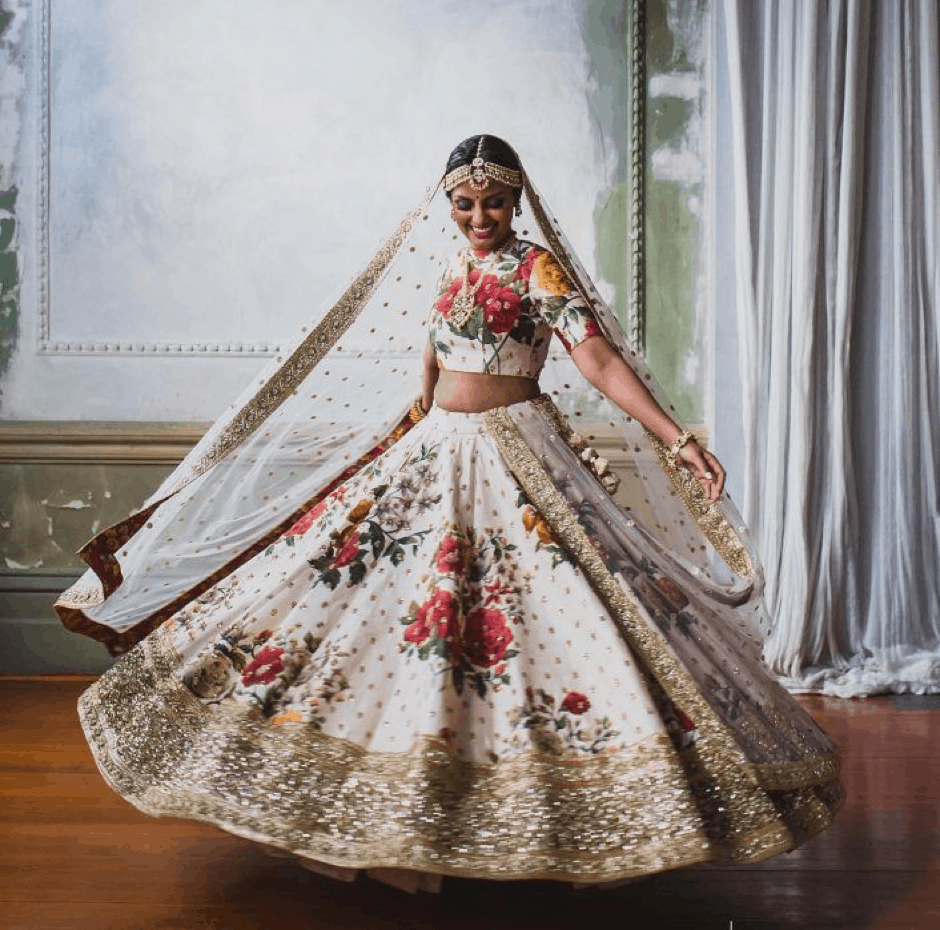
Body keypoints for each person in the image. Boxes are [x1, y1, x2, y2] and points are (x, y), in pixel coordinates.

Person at [57, 135, 842, 893]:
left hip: (516, 452)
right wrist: (415, 419)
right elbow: (431, 359)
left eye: (493, 203)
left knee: (546, 618)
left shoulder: (539, 268)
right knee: (391, 617)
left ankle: (556, 814)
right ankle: (391, 816)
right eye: (465, 204)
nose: (478, 218)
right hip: (438, 450)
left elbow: (595, 359)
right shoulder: (448, 266)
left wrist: (677, 441)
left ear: (515, 200)